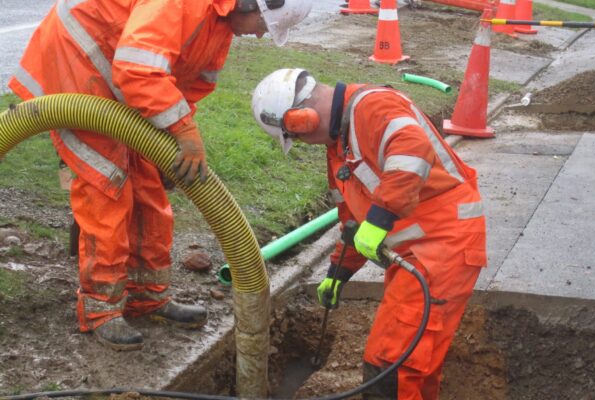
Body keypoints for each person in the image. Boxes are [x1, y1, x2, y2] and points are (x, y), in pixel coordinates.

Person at [8, 0, 312, 351]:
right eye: (264, 25)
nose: (260, 35)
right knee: (108, 185)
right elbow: (138, 68)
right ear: (250, 5)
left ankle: (147, 297)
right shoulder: (182, 4)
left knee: (148, 183)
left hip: (120, 81)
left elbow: (189, 84)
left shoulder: (219, 26)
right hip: (79, 62)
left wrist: (168, 138)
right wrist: (183, 131)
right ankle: (101, 310)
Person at [251, 68, 487, 399]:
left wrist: (379, 221)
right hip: (418, 250)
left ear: (301, 121)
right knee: (417, 360)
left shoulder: (373, 107)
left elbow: (411, 149)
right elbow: (353, 218)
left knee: (391, 363)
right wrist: (339, 271)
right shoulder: (339, 148)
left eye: (297, 137)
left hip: (444, 244)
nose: (304, 143)